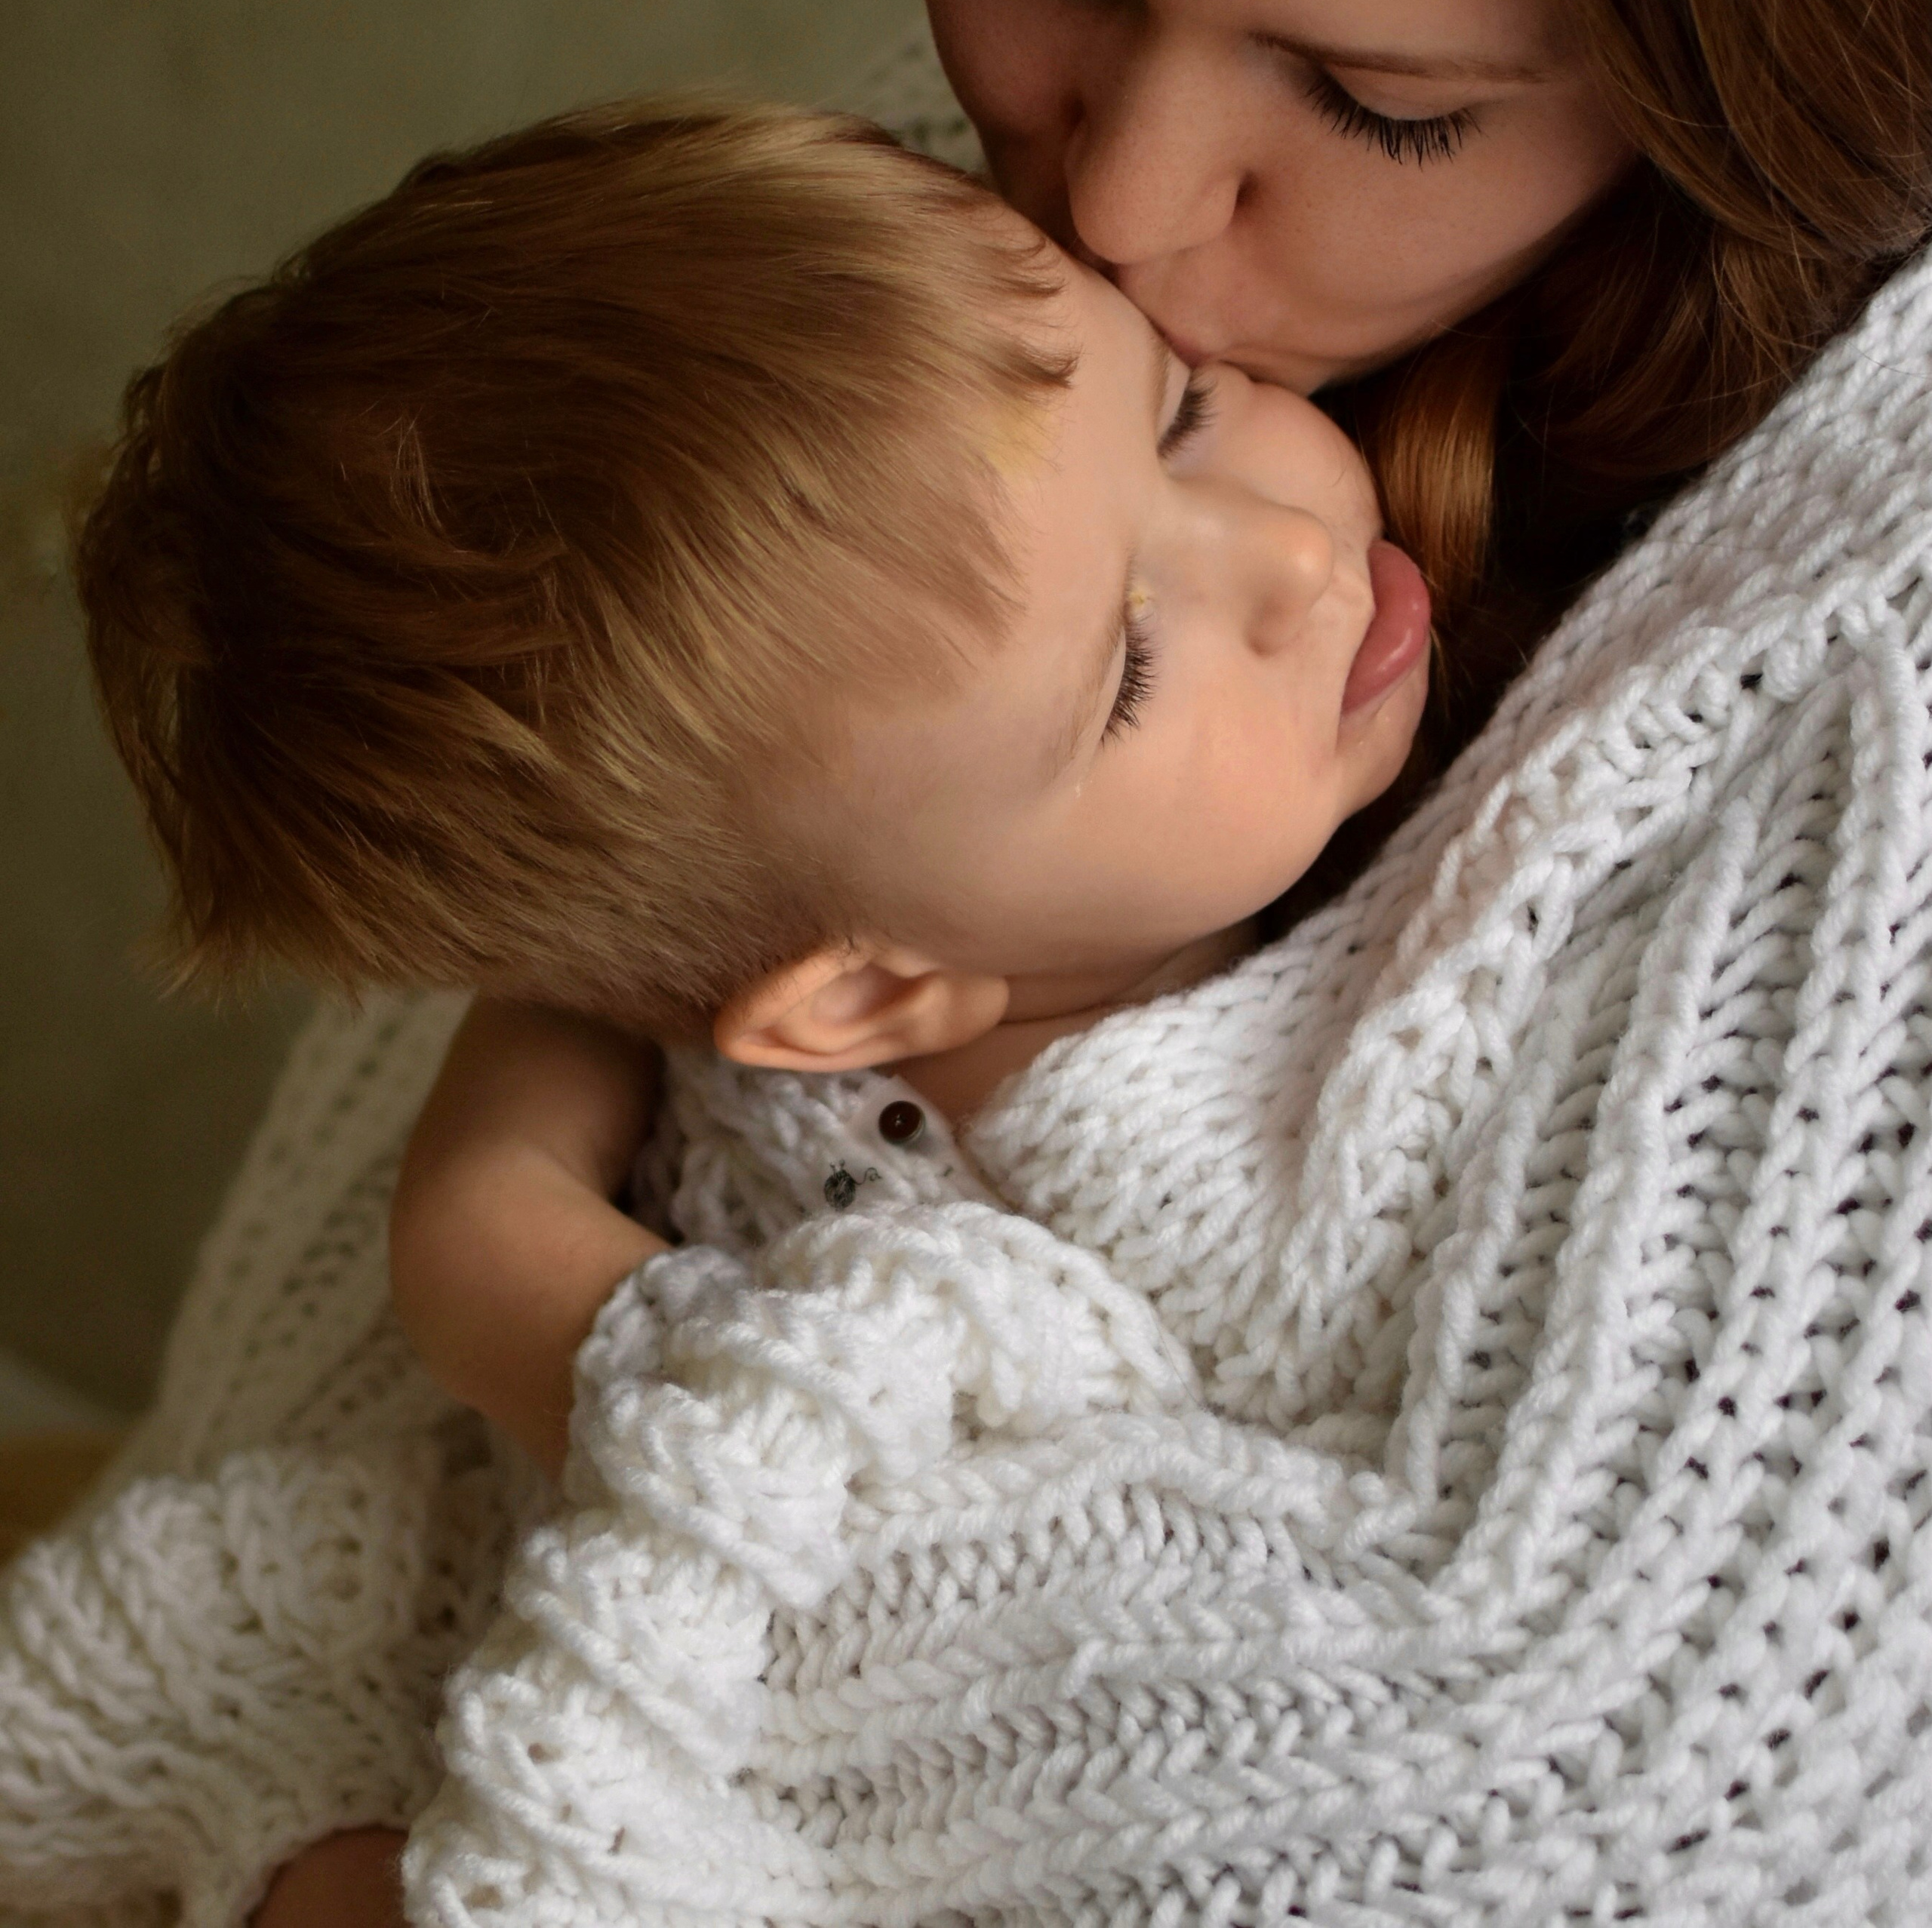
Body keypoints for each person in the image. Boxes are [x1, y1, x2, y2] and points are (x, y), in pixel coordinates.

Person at [0, 0, 1923, 1922]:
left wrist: (553, 1306)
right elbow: (293, 1511)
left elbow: (1589, 1815)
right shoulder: (981, 300)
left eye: (1375, 101)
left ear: (1760, 26)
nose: (1119, 204)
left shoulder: (1861, 650)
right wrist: (316, 1831)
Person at [72, 95, 1429, 1478]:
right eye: (1130, 672)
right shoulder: (1197, 1222)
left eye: (1181, 412)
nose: (1292, 558)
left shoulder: (795, 902)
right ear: (863, 999)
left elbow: (541, 1065)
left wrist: (478, 1216)